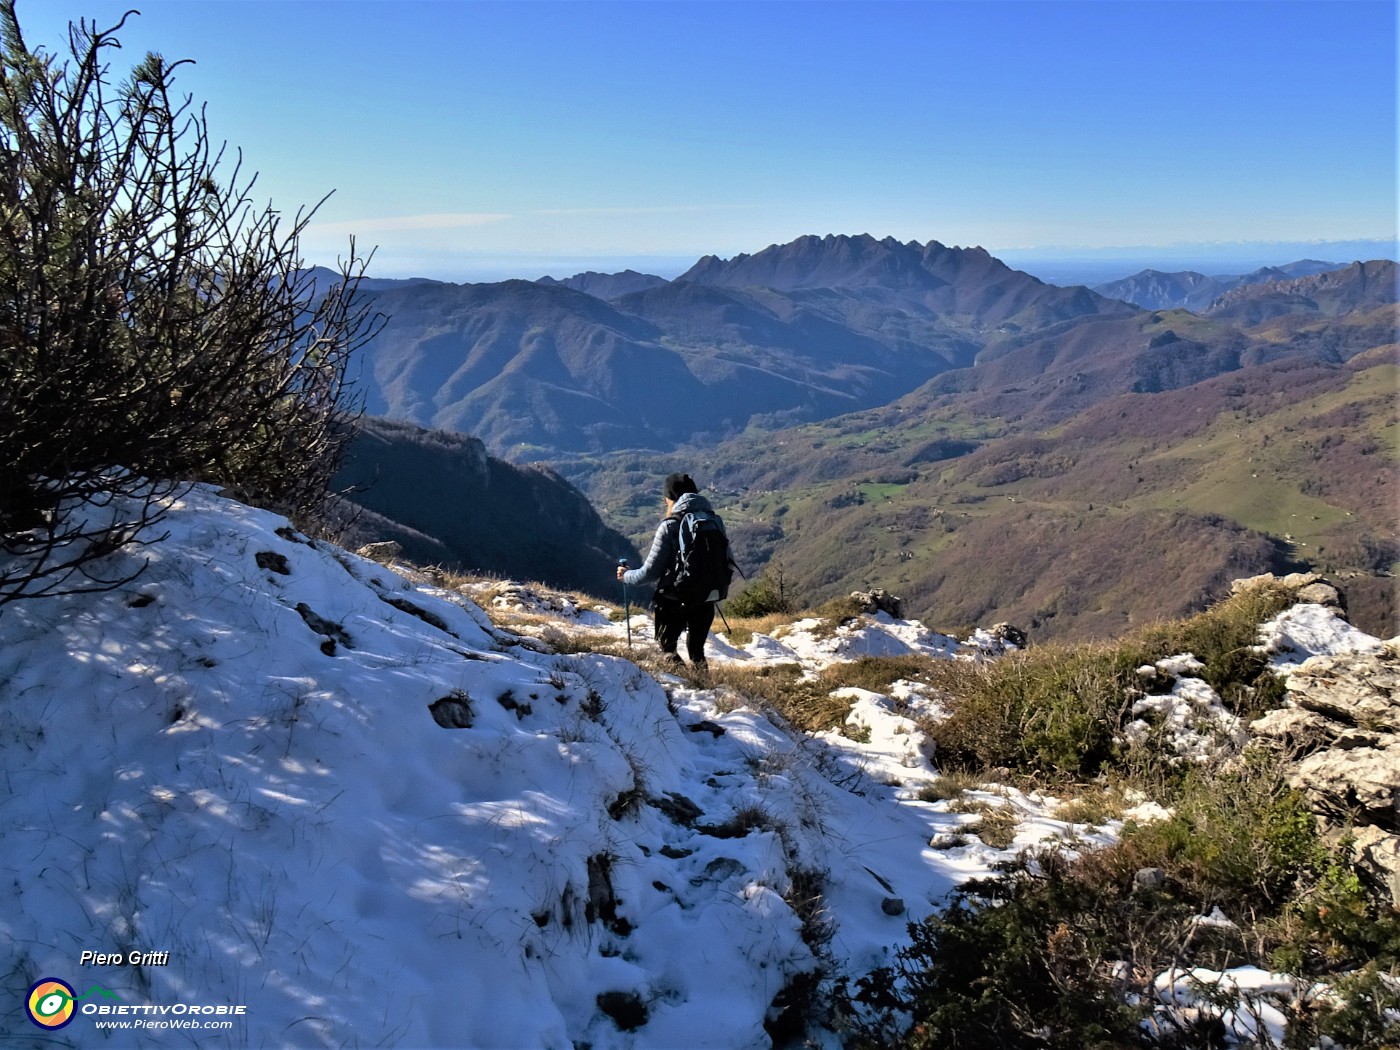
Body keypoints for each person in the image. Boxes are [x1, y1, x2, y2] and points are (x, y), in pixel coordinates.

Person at [616, 472, 725, 668]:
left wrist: (626, 576)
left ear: (670, 498)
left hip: (675, 599)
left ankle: (682, 690)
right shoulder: (715, 521)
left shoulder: (670, 526)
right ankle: (707, 691)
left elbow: (649, 573)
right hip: (706, 597)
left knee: (668, 649)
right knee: (698, 654)